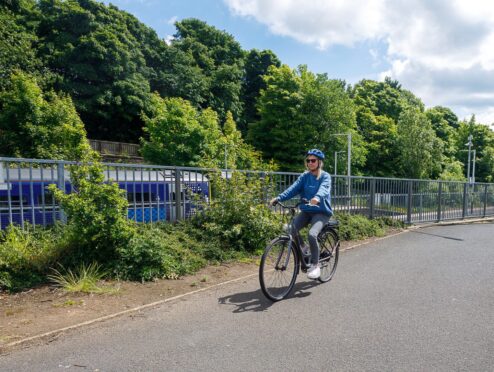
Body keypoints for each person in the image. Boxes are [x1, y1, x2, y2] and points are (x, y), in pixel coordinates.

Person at [270, 149, 333, 279]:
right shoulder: (304, 176)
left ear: (319, 162)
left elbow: (324, 189)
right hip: (306, 211)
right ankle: (305, 250)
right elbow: (293, 188)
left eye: (313, 160)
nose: (310, 162)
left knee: (312, 234)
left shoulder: (325, 176)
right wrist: (279, 198)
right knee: (290, 229)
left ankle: (315, 265)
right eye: (308, 160)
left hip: (321, 212)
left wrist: (317, 198)